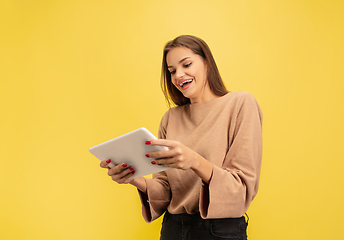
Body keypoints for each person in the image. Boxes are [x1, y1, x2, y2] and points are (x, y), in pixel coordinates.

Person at [100, 35, 263, 240]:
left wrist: (194, 161)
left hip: (219, 231)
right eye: (172, 71)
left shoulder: (240, 104)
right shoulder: (170, 118)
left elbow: (241, 189)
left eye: (186, 64)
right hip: (173, 229)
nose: (178, 75)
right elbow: (166, 190)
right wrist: (135, 179)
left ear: (207, 63)